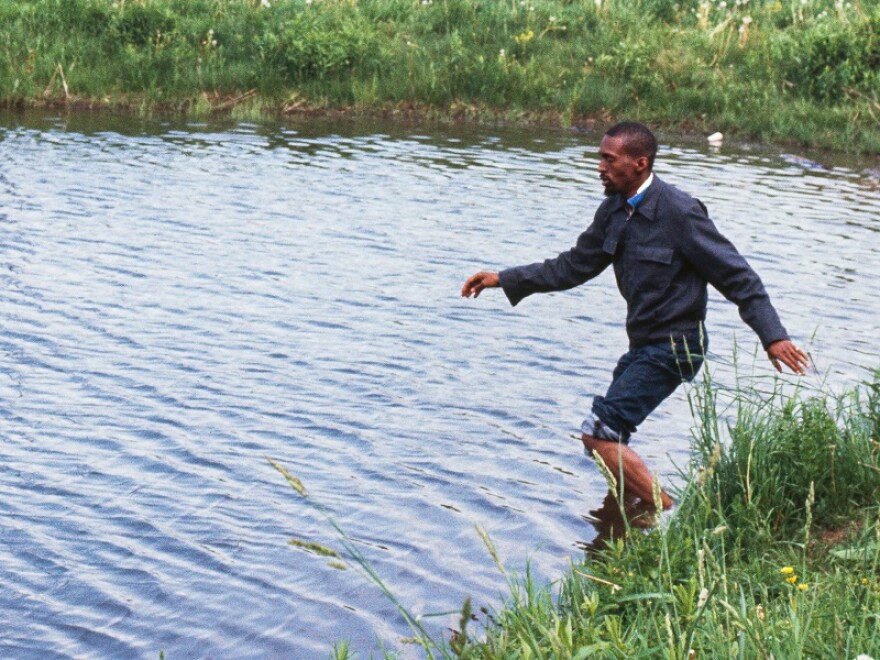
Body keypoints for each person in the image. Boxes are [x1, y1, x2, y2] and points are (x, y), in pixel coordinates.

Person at [461, 121, 809, 510]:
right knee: (613, 439)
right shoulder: (613, 209)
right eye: (600, 158)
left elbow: (738, 277)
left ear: (640, 162)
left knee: (600, 434)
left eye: (609, 159)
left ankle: (668, 512)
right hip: (643, 345)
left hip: (675, 347)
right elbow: (574, 265)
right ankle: (624, 525)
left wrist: (773, 336)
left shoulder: (680, 212)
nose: (600, 167)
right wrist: (503, 279)